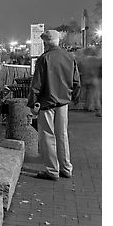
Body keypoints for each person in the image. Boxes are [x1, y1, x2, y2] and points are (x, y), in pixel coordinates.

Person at [27, 30, 80, 181]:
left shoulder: (44, 59)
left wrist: (32, 103)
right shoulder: (70, 57)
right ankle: (66, 168)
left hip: (47, 103)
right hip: (63, 103)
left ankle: (52, 170)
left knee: (48, 137)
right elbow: (76, 81)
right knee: (62, 135)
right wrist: (74, 98)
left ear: (45, 43)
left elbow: (36, 85)